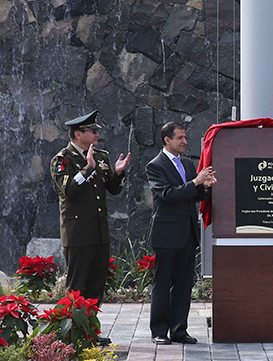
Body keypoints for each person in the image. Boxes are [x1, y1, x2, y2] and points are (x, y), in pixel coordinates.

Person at [50, 110, 130, 336]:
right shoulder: (62, 159)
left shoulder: (101, 156)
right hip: (78, 234)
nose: (96, 134)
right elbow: (68, 191)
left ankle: (90, 331)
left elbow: (113, 189)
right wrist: (87, 168)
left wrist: (118, 173)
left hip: (99, 232)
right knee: (77, 287)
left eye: (97, 131)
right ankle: (72, 333)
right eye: (92, 131)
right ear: (77, 134)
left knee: (96, 285)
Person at [146, 122, 217, 345]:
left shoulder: (187, 163)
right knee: (163, 283)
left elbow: (195, 196)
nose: (185, 141)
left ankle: (179, 330)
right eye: (180, 138)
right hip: (166, 234)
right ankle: (159, 330)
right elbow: (167, 194)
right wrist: (195, 181)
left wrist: (205, 187)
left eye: (185, 137)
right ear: (167, 140)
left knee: (184, 284)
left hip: (187, 233)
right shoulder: (155, 165)